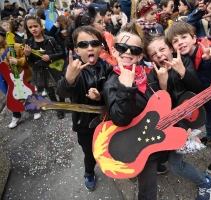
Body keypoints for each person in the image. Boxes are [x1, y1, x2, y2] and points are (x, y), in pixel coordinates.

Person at [103, 23, 171, 200]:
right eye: (122, 47)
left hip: (152, 136)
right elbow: (121, 119)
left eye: (133, 50)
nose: (127, 52)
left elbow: (157, 104)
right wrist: (125, 87)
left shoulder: (147, 74)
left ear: (140, 55)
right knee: (148, 191)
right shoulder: (112, 83)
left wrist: (163, 85)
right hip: (137, 143)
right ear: (115, 51)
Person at [144, 33, 211, 200]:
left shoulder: (184, 62)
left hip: (186, 121)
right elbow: (160, 108)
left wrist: (182, 71)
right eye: (154, 54)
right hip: (167, 123)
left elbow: (197, 91)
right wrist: (162, 83)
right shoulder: (152, 76)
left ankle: (205, 183)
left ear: (170, 48)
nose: (159, 55)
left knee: (176, 166)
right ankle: (161, 162)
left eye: (162, 49)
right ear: (150, 59)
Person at [166, 21, 211, 174]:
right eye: (175, 41)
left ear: (194, 38)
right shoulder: (181, 60)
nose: (180, 42)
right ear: (172, 47)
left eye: (183, 37)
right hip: (205, 101)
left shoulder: (208, 49)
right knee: (209, 123)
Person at [56, 25, 111, 191]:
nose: (89, 47)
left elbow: (113, 91)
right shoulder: (74, 69)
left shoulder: (106, 67)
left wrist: (100, 96)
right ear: (76, 50)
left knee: (107, 146)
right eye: (83, 44)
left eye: (94, 43)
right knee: (90, 152)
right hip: (84, 124)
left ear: (101, 47)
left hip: (106, 120)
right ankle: (89, 172)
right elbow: (63, 92)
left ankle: (108, 164)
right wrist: (69, 80)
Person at [23, 15, 66, 119]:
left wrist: (50, 57)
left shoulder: (50, 39)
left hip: (54, 68)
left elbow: (62, 53)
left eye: (35, 26)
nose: (33, 29)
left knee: (60, 87)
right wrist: (28, 55)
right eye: (30, 27)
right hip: (41, 71)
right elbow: (30, 62)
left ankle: (62, 105)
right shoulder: (28, 42)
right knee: (50, 91)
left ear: (41, 26)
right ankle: (58, 109)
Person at [0, 26, 41, 128]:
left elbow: (27, 60)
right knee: (11, 97)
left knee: (28, 93)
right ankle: (16, 115)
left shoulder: (17, 46)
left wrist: (17, 61)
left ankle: (35, 109)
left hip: (22, 77)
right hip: (7, 79)